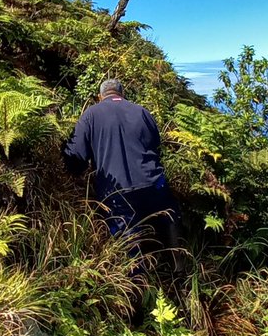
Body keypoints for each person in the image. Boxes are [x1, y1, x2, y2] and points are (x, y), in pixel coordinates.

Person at [63, 78, 181, 267]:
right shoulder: (142, 111)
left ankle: (138, 289)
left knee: (129, 247)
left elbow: (76, 156)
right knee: (168, 221)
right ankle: (179, 272)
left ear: (99, 97)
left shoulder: (91, 114)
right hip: (154, 184)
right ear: (122, 94)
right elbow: (156, 147)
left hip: (117, 193)